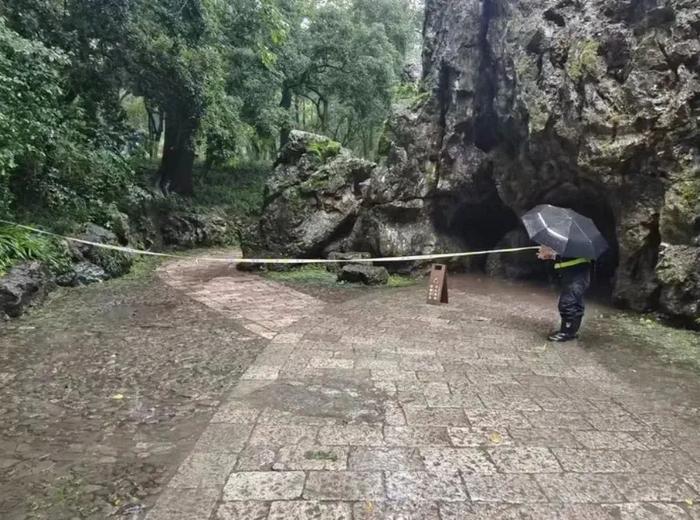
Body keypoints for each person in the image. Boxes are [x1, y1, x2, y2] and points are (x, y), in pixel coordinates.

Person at [537, 245, 592, 342]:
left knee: (567, 303)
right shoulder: (574, 242)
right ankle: (571, 331)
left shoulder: (577, 244)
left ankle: (566, 333)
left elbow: (572, 254)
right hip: (574, 275)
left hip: (577, 277)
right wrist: (552, 256)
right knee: (576, 303)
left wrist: (552, 253)